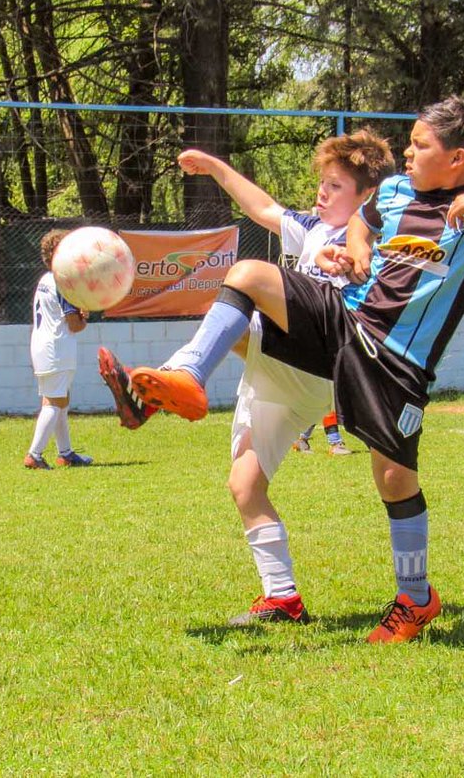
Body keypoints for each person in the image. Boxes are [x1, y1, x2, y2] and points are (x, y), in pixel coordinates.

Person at [106, 95, 464, 643]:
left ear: (457, 158)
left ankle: (415, 599)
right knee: (251, 273)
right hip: (347, 324)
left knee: (394, 478)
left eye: (421, 145)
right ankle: (186, 374)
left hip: (400, 362)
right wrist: (352, 254)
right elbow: (361, 226)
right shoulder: (394, 192)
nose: (408, 150)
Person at [104, 131, 393, 625]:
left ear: (365, 197)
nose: (323, 193)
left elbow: (374, 287)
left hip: (322, 358)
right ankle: (283, 599)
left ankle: (184, 377)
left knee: (248, 276)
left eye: (337, 186)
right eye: (322, 183)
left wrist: (353, 262)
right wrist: (216, 167)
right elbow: (263, 208)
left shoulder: (374, 240)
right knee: (244, 485)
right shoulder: (311, 229)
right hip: (278, 376)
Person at [25, 229, 92, 469]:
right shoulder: (64, 282)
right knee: (53, 403)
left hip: (43, 345)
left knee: (60, 400)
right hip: (57, 347)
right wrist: (85, 317)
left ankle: (66, 453)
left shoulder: (45, 279)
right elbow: (74, 324)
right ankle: (34, 454)